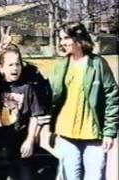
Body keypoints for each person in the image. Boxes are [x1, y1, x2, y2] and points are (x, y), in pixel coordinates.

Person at [50, 21, 119, 180]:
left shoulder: (98, 64)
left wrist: (109, 132)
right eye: (61, 38)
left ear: (79, 38)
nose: (62, 42)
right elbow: (53, 97)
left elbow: (112, 97)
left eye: (66, 38)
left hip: (94, 135)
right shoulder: (61, 65)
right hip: (66, 134)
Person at [0, 44, 45, 180]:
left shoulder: (27, 88)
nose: (15, 68)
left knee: (24, 174)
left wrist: (29, 140)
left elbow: (34, 115)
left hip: (20, 141)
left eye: (18, 64)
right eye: (10, 65)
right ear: (1, 68)